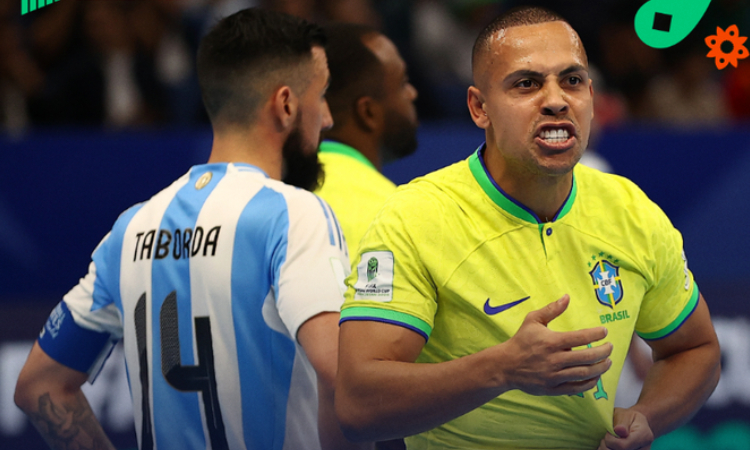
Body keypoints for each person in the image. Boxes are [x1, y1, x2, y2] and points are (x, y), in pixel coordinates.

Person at [334, 6, 721, 450]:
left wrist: (646, 416)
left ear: (592, 96)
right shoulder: (414, 217)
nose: (556, 99)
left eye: (572, 81)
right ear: (480, 108)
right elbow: (357, 406)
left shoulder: (632, 210)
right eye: (527, 83)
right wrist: (502, 369)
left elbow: (694, 349)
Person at [15, 8, 367, 450]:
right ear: (286, 104)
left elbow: (38, 387)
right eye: (322, 96)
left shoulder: (132, 228)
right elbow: (342, 382)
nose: (329, 118)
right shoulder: (294, 214)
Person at [314, 22, 418, 259]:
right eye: (402, 83)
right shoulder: (396, 214)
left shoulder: (278, 190)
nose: (413, 93)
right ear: (368, 112)